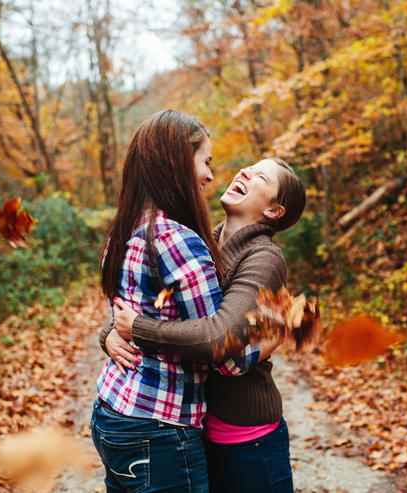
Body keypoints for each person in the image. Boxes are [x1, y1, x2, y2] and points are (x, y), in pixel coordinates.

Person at [101, 157, 307, 493]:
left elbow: (220, 335)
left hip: (244, 435)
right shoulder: (197, 243)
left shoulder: (263, 257)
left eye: (260, 177)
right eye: (249, 167)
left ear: (273, 211)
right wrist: (109, 333)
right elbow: (151, 308)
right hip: (193, 428)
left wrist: (138, 329)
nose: (245, 172)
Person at [91, 109, 259, 493]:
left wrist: (110, 335)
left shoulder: (123, 229)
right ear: (180, 164)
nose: (210, 176)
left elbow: (130, 316)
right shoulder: (176, 240)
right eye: (206, 161)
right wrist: (270, 332)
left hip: (112, 409)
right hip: (158, 428)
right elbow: (222, 354)